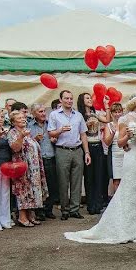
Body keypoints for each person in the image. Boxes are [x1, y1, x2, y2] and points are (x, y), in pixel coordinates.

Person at [64, 96, 136, 244]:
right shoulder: (125, 119)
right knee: (129, 189)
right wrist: (130, 135)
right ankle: (127, 226)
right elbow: (119, 143)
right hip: (131, 157)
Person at [48, 90, 91, 220]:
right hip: (62, 149)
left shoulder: (78, 115)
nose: (69, 101)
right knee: (63, 181)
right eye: (66, 98)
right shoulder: (54, 115)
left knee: (77, 181)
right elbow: (50, 133)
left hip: (77, 150)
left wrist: (87, 152)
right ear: (61, 100)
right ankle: (65, 210)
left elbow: (83, 134)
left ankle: (75, 209)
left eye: (71, 98)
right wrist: (60, 130)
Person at [8, 111, 48, 227]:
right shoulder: (13, 132)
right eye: (19, 118)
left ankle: (31, 215)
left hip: (33, 168)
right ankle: (22, 217)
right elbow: (15, 148)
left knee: (32, 190)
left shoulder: (28, 132)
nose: (23, 119)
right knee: (23, 191)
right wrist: (21, 136)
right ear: (13, 121)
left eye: (24, 117)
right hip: (22, 167)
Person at [78, 92, 110, 215]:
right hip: (87, 146)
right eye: (87, 98)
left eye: (90, 97)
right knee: (89, 176)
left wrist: (106, 105)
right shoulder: (79, 115)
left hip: (98, 146)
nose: (90, 99)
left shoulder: (95, 113)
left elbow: (107, 120)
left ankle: (98, 203)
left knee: (99, 176)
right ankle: (91, 205)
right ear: (82, 100)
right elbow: (81, 132)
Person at [29, 103, 57, 220]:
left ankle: (48, 209)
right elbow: (26, 142)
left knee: (51, 185)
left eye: (44, 111)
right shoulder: (30, 126)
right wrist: (34, 140)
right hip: (37, 160)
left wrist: (55, 139)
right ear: (34, 113)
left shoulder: (50, 124)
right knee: (38, 185)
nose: (43, 114)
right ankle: (39, 210)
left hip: (50, 157)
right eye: (40, 112)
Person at [106, 102, 125, 190]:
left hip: (125, 153)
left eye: (119, 112)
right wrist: (113, 133)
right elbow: (107, 142)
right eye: (115, 112)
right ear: (112, 113)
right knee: (116, 180)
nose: (118, 114)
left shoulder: (125, 124)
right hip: (114, 155)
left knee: (126, 179)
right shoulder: (108, 125)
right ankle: (117, 202)